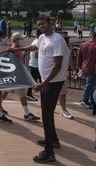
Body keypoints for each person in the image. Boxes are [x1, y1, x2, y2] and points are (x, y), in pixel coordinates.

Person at [15, 15, 70, 163]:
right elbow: (34, 47)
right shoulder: (42, 38)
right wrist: (18, 48)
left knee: (46, 114)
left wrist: (43, 83)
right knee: (46, 112)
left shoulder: (57, 40)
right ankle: (53, 140)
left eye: (43, 24)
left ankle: (49, 152)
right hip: (47, 82)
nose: (41, 26)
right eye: (39, 25)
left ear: (50, 23)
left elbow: (58, 65)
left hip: (53, 82)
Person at [4, 32, 41, 122]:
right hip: (16, 75)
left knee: (6, 91)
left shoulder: (17, 49)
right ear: (16, 40)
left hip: (15, 74)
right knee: (22, 94)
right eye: (21, 39)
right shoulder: (13, 49)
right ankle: (27, 114)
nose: (23, 40)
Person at [78, 31, 96, 108]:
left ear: (90, 36)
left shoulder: (83, 45)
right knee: (90, 85)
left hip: (84, 67)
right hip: (93, 68)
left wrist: (79, 66)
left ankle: (88, 100)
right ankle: (85, 101)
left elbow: (80, 57)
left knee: (87, 84)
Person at [26, 29, 42, 102]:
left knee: (34, 80)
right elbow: (36, 55)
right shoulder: (38, 42)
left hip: (33, 63)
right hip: (36, 64)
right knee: (42, 81)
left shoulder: (35, 40)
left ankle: (29, 94)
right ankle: (44, 96)